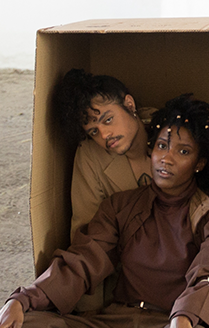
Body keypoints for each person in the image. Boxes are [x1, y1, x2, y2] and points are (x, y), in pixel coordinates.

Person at [0, 96, 209, 328]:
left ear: (199, 163)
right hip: (113, 326)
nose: (166, 159)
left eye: (182, 152)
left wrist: (185, 316)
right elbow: (81, 262)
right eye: (161, 146)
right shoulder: (122, 206)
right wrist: (21, 299)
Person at [50, 68, 150, 233]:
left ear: (129, 105)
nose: (104, 135)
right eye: (94, 131)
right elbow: (86, 232)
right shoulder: (90, 156)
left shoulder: (172, 129)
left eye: (108, 120)